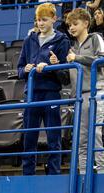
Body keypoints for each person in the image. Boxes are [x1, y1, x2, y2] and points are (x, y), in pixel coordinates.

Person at [17, 2, 70, 175]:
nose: (40, 23)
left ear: (54, 19)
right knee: (29, 137)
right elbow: (19, 69)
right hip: (31, 94)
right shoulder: (29, 40)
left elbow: (65, 76)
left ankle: (54, 173)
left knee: (53, 136)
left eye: (44, 20)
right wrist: (25, 70)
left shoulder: (62, 40)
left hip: (51, 94)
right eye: (38, 20)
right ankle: (28, 174)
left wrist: (54, 65)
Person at [65, 8, 104, 173]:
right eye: (69, 25)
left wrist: (77, 58)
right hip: (80, 97)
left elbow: (101, 60)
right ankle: (83, 175)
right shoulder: (71, 48)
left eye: (75, 24)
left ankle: (102, 172)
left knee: (97, 134)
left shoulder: (96, 38)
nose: (71, 28)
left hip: (97, 91)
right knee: (80, 139)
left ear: (86, 23)